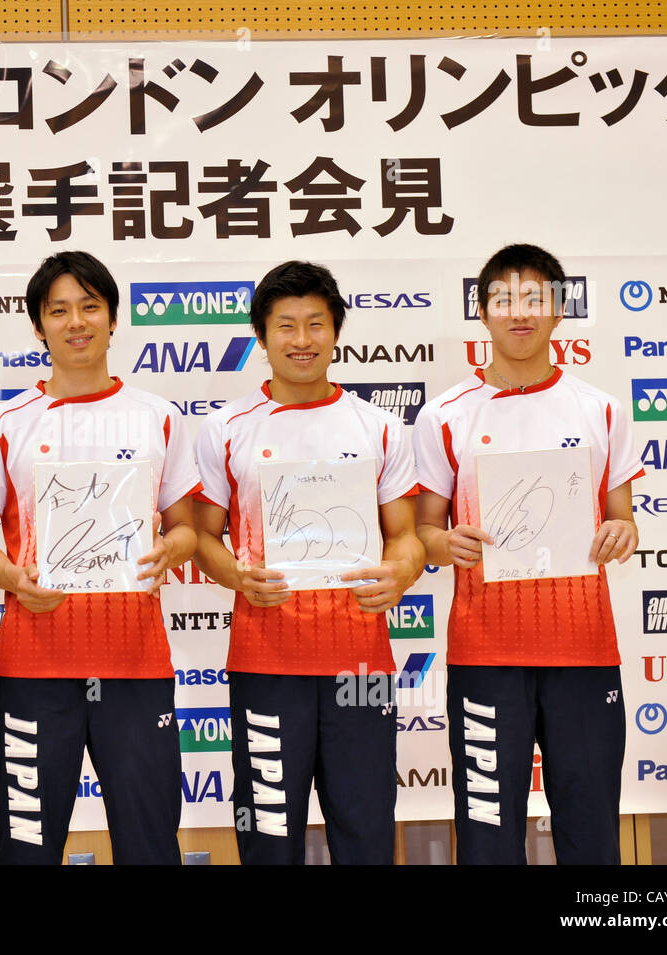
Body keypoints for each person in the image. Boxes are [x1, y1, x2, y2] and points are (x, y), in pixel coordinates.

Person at [0, 250, 200, 865]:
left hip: (135, 665)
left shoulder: (159, 417)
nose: (76, 322)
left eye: (90, 307)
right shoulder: (2, 425)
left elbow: (186, 531)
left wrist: (170, 549)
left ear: (113, 319)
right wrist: (13, 577)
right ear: (38, 326)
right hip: (34, 666)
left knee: (149, 843)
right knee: (27, 846)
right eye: (58, 310)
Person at [413, 243, 643, 864]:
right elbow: (425, 533)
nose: (520, 312)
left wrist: (623, 533)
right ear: (481, 311)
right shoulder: (443, 415)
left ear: (559, 310)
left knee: (591, 828)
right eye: (504, 298)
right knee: (487, 835)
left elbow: (623, 519)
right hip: (486, 652)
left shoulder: (600, 408)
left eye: (535, 297)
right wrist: (446, 542)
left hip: (583, 647)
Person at [192, 260, 425, 865]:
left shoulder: (378, 427)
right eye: (286, 326)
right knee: (269, 837)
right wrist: (236, 576)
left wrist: (401, 571)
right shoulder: (225, 427)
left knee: (366, 829)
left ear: (336, 332)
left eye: (315, 325)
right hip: (266, 660)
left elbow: (406, 536)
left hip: (361, 664)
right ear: (261, 336)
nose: (301, 341)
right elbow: (203, 538)